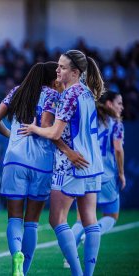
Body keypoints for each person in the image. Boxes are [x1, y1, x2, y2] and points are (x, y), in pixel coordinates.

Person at [20, 50, 105, 276]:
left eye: (62, 67)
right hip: (92, 163)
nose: (57, 70)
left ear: (75, 72)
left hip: (71, 164)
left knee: (57, 219)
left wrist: (34, 128)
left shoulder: (69, 95)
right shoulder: (87, 92)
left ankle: (77, 273)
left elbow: (55, 132)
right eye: (58, 67)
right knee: (90, 220)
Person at [0, 62, 60, 275]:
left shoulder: (16, 91)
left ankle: (16, 257)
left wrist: (13, 138)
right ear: (51, 78)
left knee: (14, 217)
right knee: (32, 222)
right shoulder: (54, 95)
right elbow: (48, 127)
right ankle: (24, 270)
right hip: (42, 162)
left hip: (15, 159)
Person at [66, 91, 126, 268]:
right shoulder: (115, 124)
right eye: (119, 103)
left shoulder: (91, 119)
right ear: (109, 104)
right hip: (106, 175)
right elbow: (118, 149)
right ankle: (93, 233)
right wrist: (121, 173)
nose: (121, 107)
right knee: (112, 215)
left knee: (80, 219)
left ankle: (69, 255)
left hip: (86, 172)